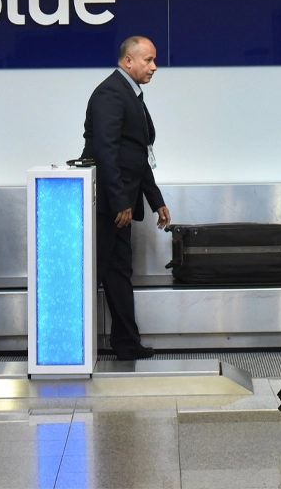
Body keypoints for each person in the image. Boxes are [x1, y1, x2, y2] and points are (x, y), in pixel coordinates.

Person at [80, 36, 171, 360]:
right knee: (94, 273)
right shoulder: (110, 93)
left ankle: (127, 344)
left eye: (154, 59)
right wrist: (121, 201)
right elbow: (106, 151)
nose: (154, 66)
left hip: (120, 203)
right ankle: (73, 345)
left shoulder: (130, 93)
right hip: (108, 205)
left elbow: (137, 153)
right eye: (148, 60)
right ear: (127, 61)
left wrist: (154, 199)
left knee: (118, 272)